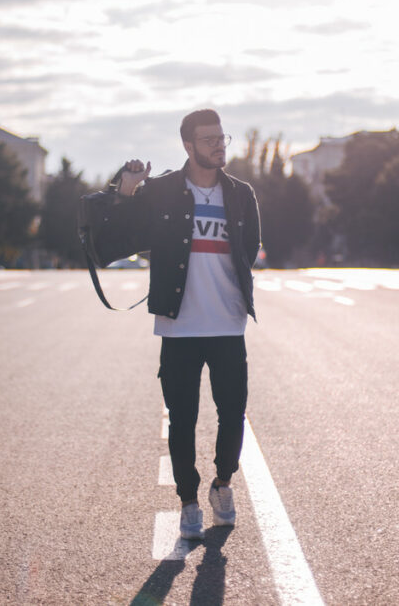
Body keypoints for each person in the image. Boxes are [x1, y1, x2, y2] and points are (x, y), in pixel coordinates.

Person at [112, 109, 260, 540]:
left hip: (228, 324)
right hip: (179, 326)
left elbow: (248, 248)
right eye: (209, 139)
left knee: (233, 413)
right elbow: (121, 235)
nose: (219, 145)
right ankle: (189, 502)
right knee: (183, 419)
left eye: (222, 138)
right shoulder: (161, 192)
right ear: (188, 145)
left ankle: (223, 483)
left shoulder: (241, 194)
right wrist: (125, 190)